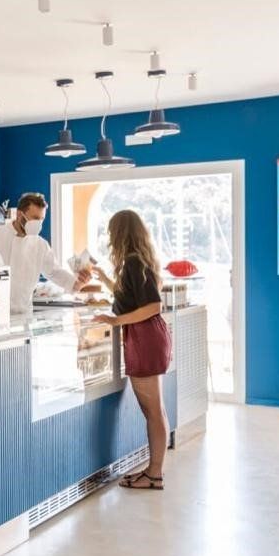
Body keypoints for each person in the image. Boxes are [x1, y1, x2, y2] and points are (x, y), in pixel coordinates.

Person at [92, 210, 172, 490]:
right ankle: (154, 471)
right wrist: (103, 277)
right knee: (155, 409)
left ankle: (154, 474)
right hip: (147, 336)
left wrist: (116, 320)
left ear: (120, 233)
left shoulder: (134, 262)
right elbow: (133, 297)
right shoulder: (137, 262)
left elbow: (152, 306)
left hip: (145, 337)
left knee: (152, 410)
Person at [0, 192, 91, 314]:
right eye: (35, 218)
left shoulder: (41, 245)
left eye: (41, 219)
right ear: (20, 214)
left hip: (24, 315)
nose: (39, 224)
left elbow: (54, 272)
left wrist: (76, 284)